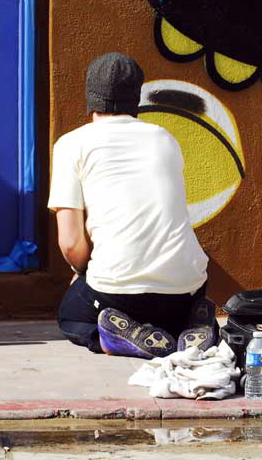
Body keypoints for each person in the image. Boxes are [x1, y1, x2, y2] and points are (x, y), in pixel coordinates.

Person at [48, 52, 218, 358]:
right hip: (186, 290)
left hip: (117, 295)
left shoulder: (71, 144)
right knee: (171, 302)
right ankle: (190, 324)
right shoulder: (164, 138)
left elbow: (70, 242)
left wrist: (83, 272)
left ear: (90, 97)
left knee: (71, 315)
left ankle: (117, 338)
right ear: (135, 97)